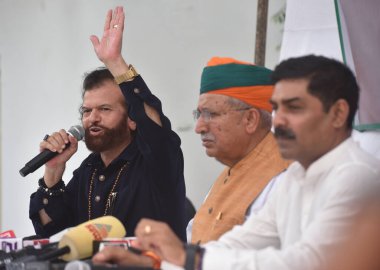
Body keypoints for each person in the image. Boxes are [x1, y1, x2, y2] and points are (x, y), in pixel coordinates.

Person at [92, 55, 380, 270]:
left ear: (338, 114)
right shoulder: (296, 176)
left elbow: (306, 262)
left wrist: (186, 257)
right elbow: (239, 243)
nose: (278, 120)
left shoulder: (355, 176)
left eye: (294, 108)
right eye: (277, 108)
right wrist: (156, 263)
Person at [29, 6, 186, 241]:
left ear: (133, 120)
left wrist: (115, 62)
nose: (92, 118)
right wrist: (52, 171)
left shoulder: (156, 160)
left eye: (104, 109)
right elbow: (50, 232)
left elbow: (154, 125)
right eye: (87, 111)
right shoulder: (89, 171)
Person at [188, 57, 290, 243]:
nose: (199, 127)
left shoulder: (284, 179)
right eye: (199, 115)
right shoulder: (230, 171)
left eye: (211, 114)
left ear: (250, 120)